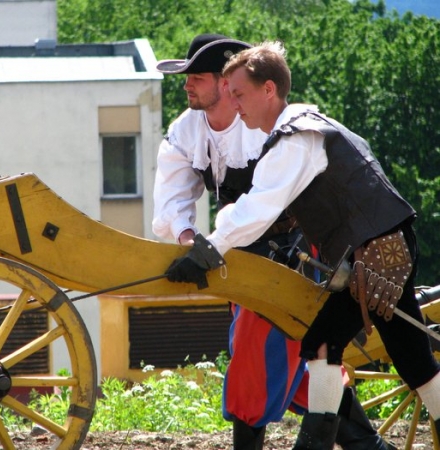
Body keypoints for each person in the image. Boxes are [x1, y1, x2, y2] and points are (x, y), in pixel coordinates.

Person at [165, 38, 440, 449]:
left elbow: (258, 208)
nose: (234, 105)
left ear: (268, 90)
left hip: (378, 256)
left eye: (239, 94)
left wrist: (208, 251)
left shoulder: (296, 137)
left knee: (389, 355)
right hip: (373, 253)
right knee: (348, 349)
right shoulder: (298, 130)